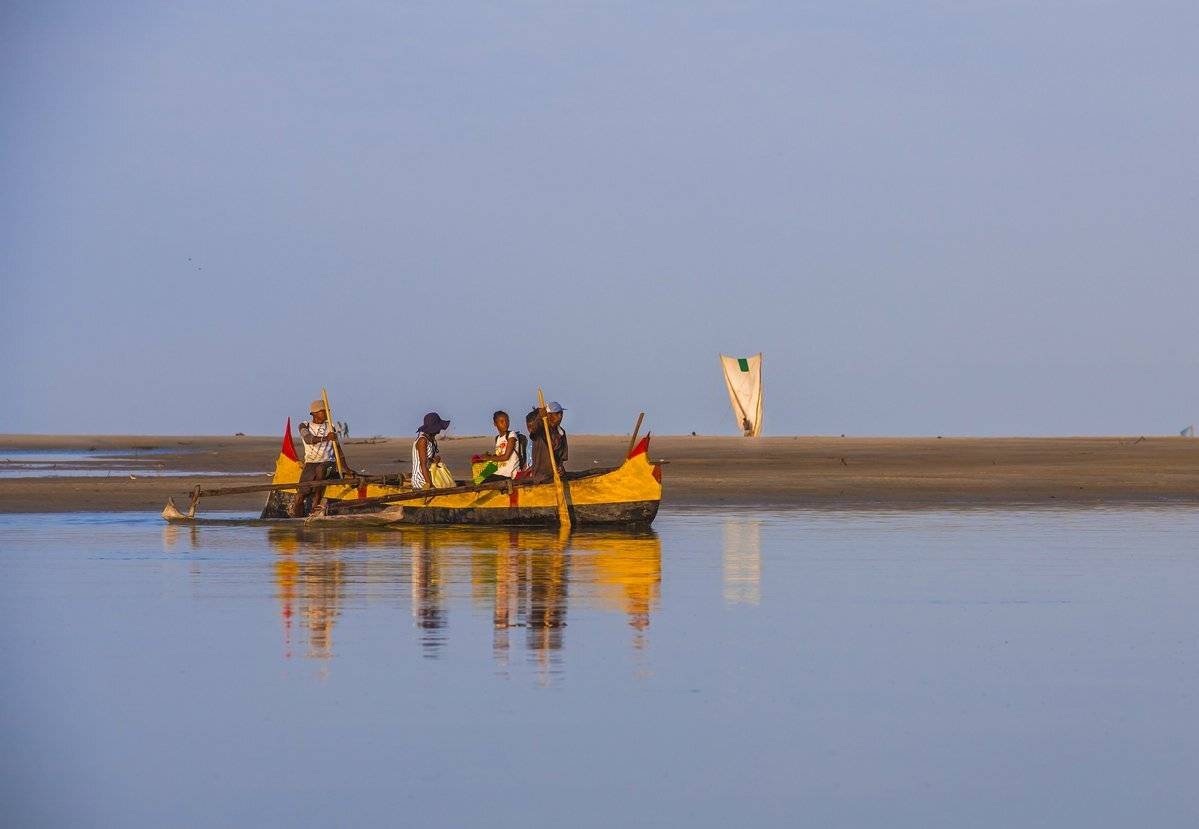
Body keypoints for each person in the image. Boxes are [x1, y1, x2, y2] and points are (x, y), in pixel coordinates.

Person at [291, 398, 353, 517]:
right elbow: (308, 439)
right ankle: (296, 520)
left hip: (328, 462)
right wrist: (325, 438)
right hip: (310, 463)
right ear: (314, 413)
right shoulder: (304, 425)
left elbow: (338, 449)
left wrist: (346, 468)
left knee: (321, 469)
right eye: (323, 411)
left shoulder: (331, 427)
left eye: (328, 410)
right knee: (300, 495)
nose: (327, 413)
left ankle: (316, 505)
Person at [475, 410, 526, 482]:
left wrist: (489, 458)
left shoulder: (511, 435)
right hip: (499, 472)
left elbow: (506, 456)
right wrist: (488, 456)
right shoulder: (498, 438)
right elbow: (499, 455)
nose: (505, 423)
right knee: (478, 479)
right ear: (495, 424)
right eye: (502, 421)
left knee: (482, 480)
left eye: (507, 421)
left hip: (508, 474)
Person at [525, 401, 568, 484]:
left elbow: (562, 457)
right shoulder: (541, 430)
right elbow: (534, 429)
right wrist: (540, 416)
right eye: (557, 414)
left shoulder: (561, 433)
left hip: (556, 476)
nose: (560, 416)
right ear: (548, 415)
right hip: (540, 476)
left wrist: (560, 468)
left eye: (561, 413)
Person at [412, 412, 450, 489]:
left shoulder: (431, 440)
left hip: (431, 476)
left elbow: (429, 460)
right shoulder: (422, 440)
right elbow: (423, 465)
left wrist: (435, 459)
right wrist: (430, 485)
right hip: (422, 481)